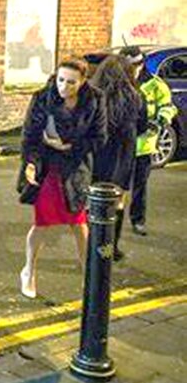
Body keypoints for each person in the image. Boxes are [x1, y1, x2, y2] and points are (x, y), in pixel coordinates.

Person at [18, 59, 107, 298]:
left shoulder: (95, 100)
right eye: (60, 80)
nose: (63, 86)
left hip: (76, 169)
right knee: (42, 223)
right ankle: (29, 271)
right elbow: (30, 137)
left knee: (79, 223)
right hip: (47, 169)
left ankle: (89, 275)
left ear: (83, 81)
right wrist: (30, 164)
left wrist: (70, 146)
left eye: (70, 82)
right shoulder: (42, 98)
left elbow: (100, 138)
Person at [89, 54, 144, 260]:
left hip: (96, 157)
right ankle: (110, 249)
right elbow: (143, 127)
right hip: (122, 160)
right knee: (118, 203)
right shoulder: (136, 97)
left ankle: (92, 246)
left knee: (93, 203)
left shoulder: (92, 97)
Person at [120, 46, 178, 237]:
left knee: (139, 186)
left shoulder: (155, 85)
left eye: (135, 65)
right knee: (117, 188)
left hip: (144, 145)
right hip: (119, 147)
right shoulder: (117, 83)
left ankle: (138, 221)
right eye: (127, 65)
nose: (132, 69)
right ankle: (113, 227)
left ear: (142, 63)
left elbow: (168, 107)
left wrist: (161, 120)